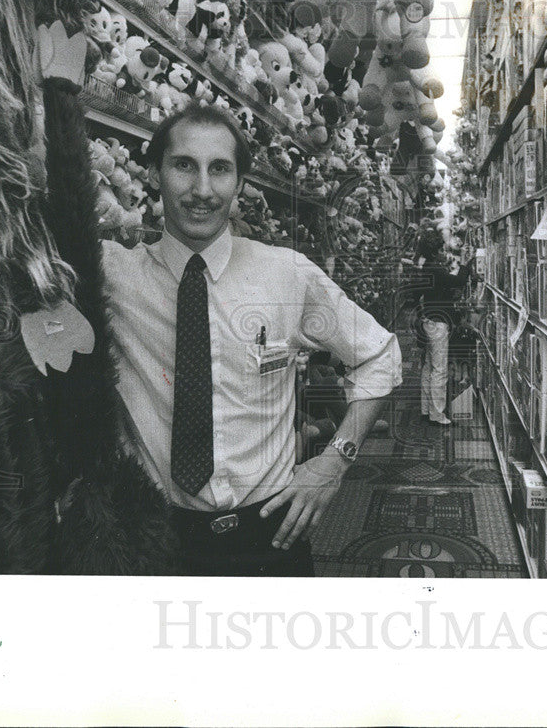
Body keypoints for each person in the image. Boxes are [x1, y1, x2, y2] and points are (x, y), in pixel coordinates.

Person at [101, 104, 402, 576]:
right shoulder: (112, 275)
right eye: (184, 165)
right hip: (154, 540)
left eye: (220, 169)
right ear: (155, 173)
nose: (202, 190)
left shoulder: (285, 273)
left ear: (240, 183)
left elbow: (381, 354)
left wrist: (335, 462)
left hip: (270, 536)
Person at [415, 229, 473, 426]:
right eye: (440, 249)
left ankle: (426, 409)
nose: (443, 252)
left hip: (428, 320)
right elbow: (458, 281)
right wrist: (466, 264)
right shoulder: (435, 269)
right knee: (439, 370)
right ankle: (437, 415)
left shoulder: (427, 268)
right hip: (438, 324)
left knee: (428, 367)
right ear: (434, 252)